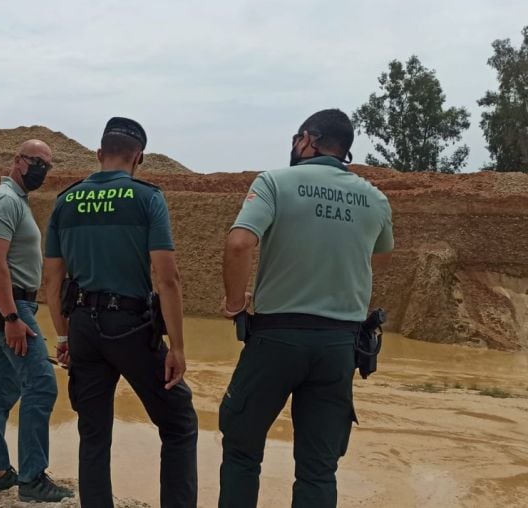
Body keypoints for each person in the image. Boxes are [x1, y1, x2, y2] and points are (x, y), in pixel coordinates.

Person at [218, 109, 394, 508]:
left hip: (276, 338)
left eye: (298, 138)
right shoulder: (375, 198)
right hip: (339, 346)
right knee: (318, 468)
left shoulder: (275, 182)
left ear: (309, 139)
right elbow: (379, 255)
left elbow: (240, 243)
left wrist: (234, 304)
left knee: (242, 450)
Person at [45, 117, 198, 508]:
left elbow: (52, 280)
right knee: (178, 421)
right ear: (139, 158)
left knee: (93, 432)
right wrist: (177, 348)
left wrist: (63, 337)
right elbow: (168, 278)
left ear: (99, 154)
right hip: (130, 326)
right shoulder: (147, 198)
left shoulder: (66, 200)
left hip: (81, 326)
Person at [0, 139, 71, 503]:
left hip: (9, 305)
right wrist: (12, 316)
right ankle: (32, 480)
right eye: (36, 162)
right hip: (10, 307)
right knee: (42, 385)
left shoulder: (16, 200)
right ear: (17, 160)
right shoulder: (4, 200)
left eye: (48, 164)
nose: (42, 170)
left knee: (1, 389)